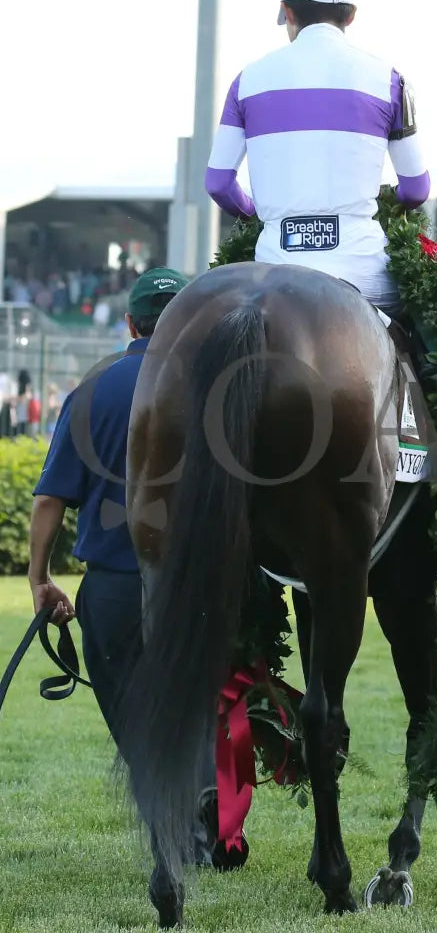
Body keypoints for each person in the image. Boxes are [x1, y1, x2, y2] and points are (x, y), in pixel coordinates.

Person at [26, 269, 235, 865]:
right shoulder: (218, 388)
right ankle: (200, 811)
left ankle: (171, 827)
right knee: (196, 704)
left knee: (132, 715)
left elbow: (49, 499)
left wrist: (40, 577)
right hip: (199, 584)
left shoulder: (94, 390)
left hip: (115, 587)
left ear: (129, 323)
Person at [205, 0, 430, 320]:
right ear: (351, 17)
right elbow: (417, 189)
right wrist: (394, 204)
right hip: (362, 267)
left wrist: (253, 211)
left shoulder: (246, 81)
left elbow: (217, 183)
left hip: (274, 267)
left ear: (287, 13)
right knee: (426, 336)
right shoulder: (390, 81)